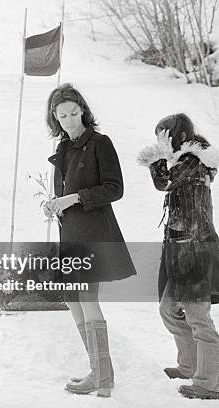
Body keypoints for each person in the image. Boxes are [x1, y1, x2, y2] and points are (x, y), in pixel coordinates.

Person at [43, 83, 136, 397]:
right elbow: (64, 193)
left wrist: (74, 199)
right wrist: (55, 204)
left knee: (86, 298)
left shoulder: (99, 143)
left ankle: (102, 376)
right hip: (70, 235)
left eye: (73, 112)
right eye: (62, 115)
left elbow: (115, 188)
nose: (69, 119)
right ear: (54, 118)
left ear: (82, 109)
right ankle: (99, 372)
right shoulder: (63, 150)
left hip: (95, 234)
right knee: (72, 298)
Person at [138, 113, 219, 399]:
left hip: (194, 248)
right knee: (169, 309)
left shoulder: (192, 161)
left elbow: (163, 182)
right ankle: (189, 365)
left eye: (162, 136)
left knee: (198, 317)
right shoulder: (187, 161)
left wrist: (157, 157)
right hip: (179, 247)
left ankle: (210, 382)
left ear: (175, 136)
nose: (159, 142)